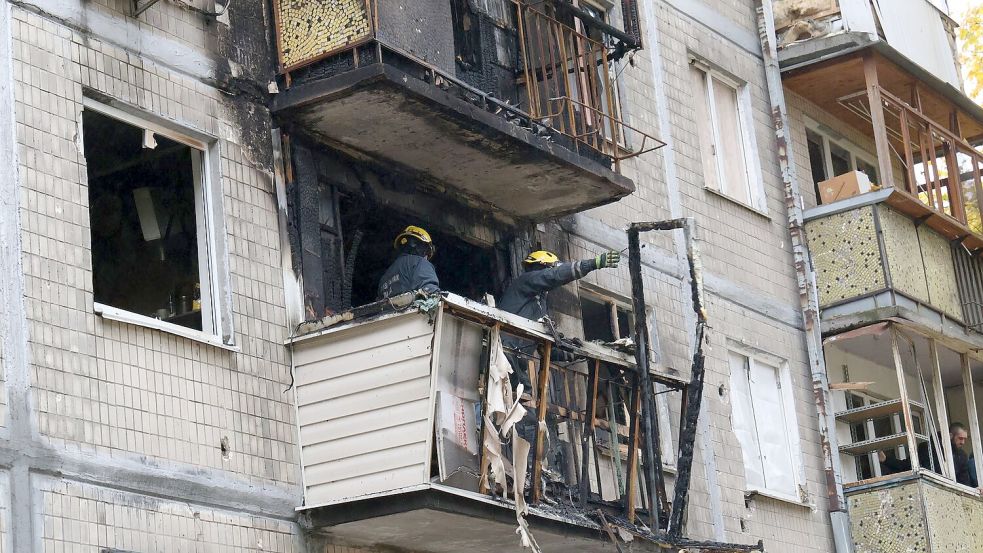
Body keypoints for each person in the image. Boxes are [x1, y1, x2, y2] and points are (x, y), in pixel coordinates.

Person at [499, 249, 622, 322]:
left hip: (516, 359)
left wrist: (574, 352)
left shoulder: (538, 304)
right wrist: (592, 264)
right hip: (503, 351)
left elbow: (546, 348)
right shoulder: (526, 280)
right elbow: (552, 276)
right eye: (552, 269)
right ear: (543, 266)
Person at [879, 422, 978, 488]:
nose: (963, 442)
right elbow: (908, 466)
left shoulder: (962, 456)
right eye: (960, 438)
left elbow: (964, 481)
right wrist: (886, 460)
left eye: (965, 439)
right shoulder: (928, 448)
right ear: (951, 436)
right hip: (928, 489)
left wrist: (975, 490)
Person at [377, 225, 440, 300]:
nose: (426, 258)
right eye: (427, 254)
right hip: (410, 311)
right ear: (423, 248)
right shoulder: (419, 262)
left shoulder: (384, 277)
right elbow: (430, 291)